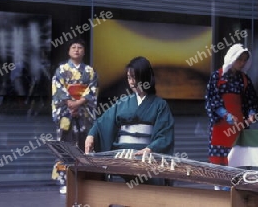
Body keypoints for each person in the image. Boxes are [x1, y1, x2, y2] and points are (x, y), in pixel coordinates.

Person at [85, 56, 174, 185]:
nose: (131, 82)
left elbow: (165, 134)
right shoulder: (122, 102)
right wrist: (91, 135)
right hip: (121, 155)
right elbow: (102, 122)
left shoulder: (160, 105)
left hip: (145, 155)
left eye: (134, 77)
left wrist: (150, 148)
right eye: (128, 77)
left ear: (145, 77)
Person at [51, 38, 98, 194]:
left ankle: (84, 178)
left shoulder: (90, 71)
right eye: (73, 47)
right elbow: (57, 88)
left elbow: (92, 90)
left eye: (80, 47)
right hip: (65, 111)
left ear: (84, 51)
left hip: (83, 111)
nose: (77, 49)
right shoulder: (61, 69)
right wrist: (70, 104)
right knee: (64, 144)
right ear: (69, 51)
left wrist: (78, 103)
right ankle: (64, 180)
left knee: (85, 144)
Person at [205, 43, 258, 167]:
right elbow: (212, 100)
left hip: (239, 126)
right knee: (219, 161)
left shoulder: (245, 79)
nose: (242, 63)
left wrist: (251, 114)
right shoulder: (217, 77)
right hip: (220, 125)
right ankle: (220, 186)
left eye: (245, 60)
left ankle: (236, 186)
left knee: (238, 160)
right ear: (232, 58)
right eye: (240, 59)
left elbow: (252, 100)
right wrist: (226, 116)